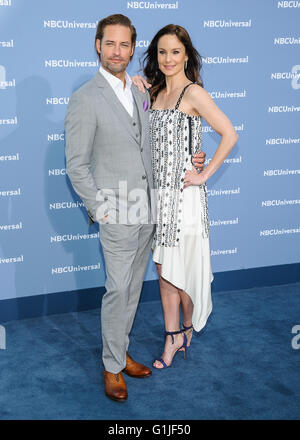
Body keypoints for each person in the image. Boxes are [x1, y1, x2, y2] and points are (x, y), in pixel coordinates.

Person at [65, 14, 206, 401]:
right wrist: (101, 209)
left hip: (150, 210)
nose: (117, 51)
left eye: (125, 44)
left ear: (132, 49)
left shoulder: (142, 90)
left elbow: (165, 137)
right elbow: (76, 165)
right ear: (98, 45)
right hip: (117, 212)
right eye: (110, 43)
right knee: (117, 290)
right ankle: (112, 368)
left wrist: (194, 158)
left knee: (130, 292)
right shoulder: (85, 98)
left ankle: (120, 352)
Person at [134, 24, 238, 369]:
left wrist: (203, 174)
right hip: (158, 195)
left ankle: (187, 327)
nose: (168, 59)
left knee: (183, 272)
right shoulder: (155, 90)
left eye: (175, 52)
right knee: (164, 269)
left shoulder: (194, 93)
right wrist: (136, 85)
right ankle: (173, 335)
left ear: (187, 55)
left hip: (184, 198)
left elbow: (229, 134)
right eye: (162, 52)